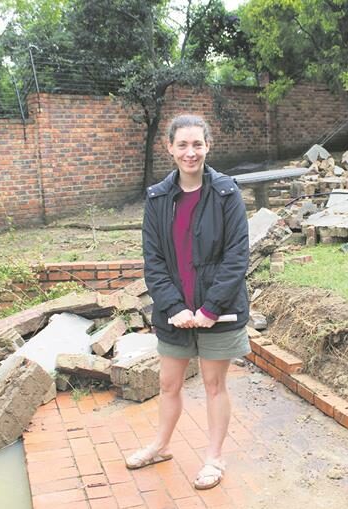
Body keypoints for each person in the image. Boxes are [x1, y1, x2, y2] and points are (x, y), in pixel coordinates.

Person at [124, 114, 250, 491]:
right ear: (170, 148)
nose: (190, 152)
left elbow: (236, 257)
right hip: (174, 313)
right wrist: (174, 306)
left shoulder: (228, 193)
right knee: (167, 383)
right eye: (182, 145)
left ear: (208, 146)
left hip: (220, 311)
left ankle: (214, 457)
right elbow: (154, 260)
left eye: (197, 144)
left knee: (214, 384)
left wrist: (210, 308)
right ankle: (161, 445)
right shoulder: (158, 198)